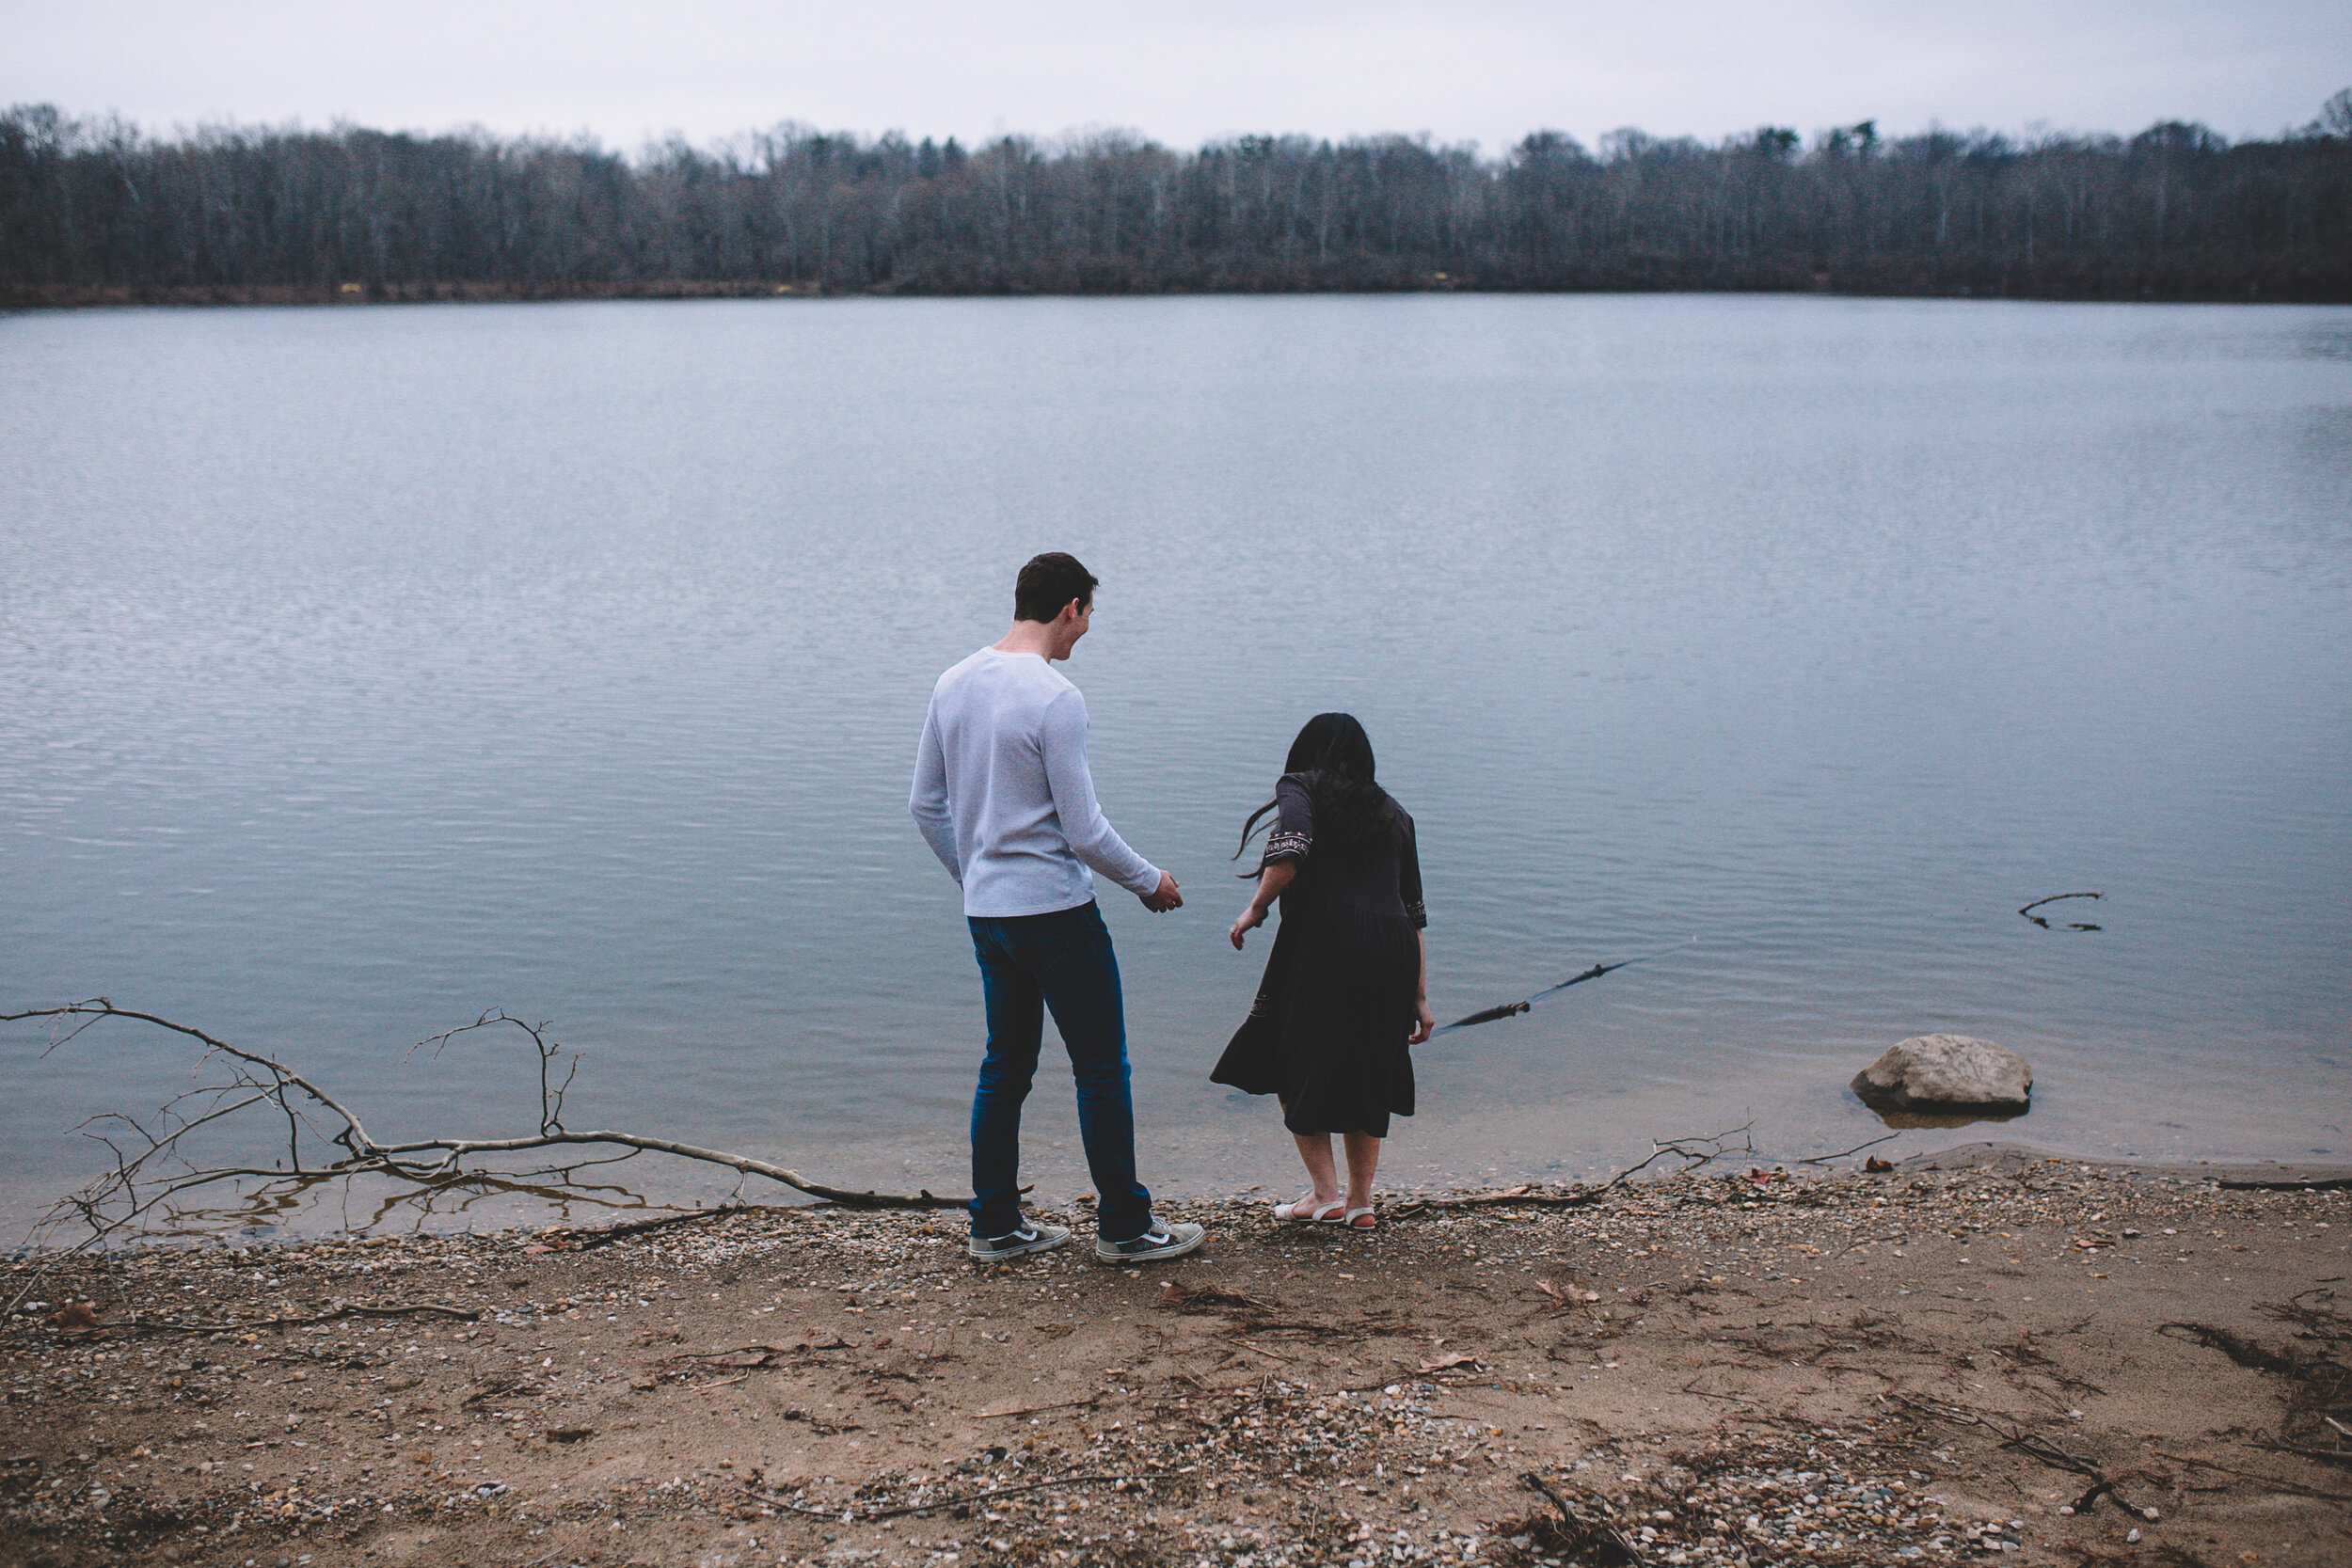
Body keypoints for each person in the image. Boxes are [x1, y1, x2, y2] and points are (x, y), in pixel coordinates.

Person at [911, 551, 1207, 1265]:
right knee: (1101, 1067)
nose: (1083, 635)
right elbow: (1084, 831)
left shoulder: (953, 682)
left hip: (989, 917)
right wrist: (1148, 881)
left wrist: (976, 875)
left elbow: (925, 805)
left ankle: (995, 1224)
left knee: (1004, 1067)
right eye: (1087, 618)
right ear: (1070, 606)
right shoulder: (1054, 695)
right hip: (1056, 915)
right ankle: (1126, 1227)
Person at [1214, 713, 1432, 1229]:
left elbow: (1290, 851)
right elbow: (1414, 912)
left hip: (1325, 941)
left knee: (1287, 1055)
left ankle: (1325, 1194)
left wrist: (1256, 908)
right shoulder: (1395, 812)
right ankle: (1360, 1203)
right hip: (1392, 949)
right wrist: (1419, 996)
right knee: (1370, 1065)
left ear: (1307, 751)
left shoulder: (1302, 786)